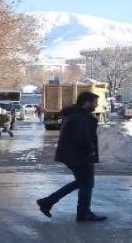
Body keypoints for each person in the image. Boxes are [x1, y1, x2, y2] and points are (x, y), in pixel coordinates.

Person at [37, 91, 106, 222]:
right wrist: (90, 149)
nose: (96, 105)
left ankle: (48, 202)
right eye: (95, 102)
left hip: (73, 155)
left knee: (82, 183)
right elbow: (81, 137)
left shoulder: (74, 114)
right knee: (86, 183)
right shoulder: (80, 117)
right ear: (87, 103)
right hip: (79, 155)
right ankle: (84, 213)